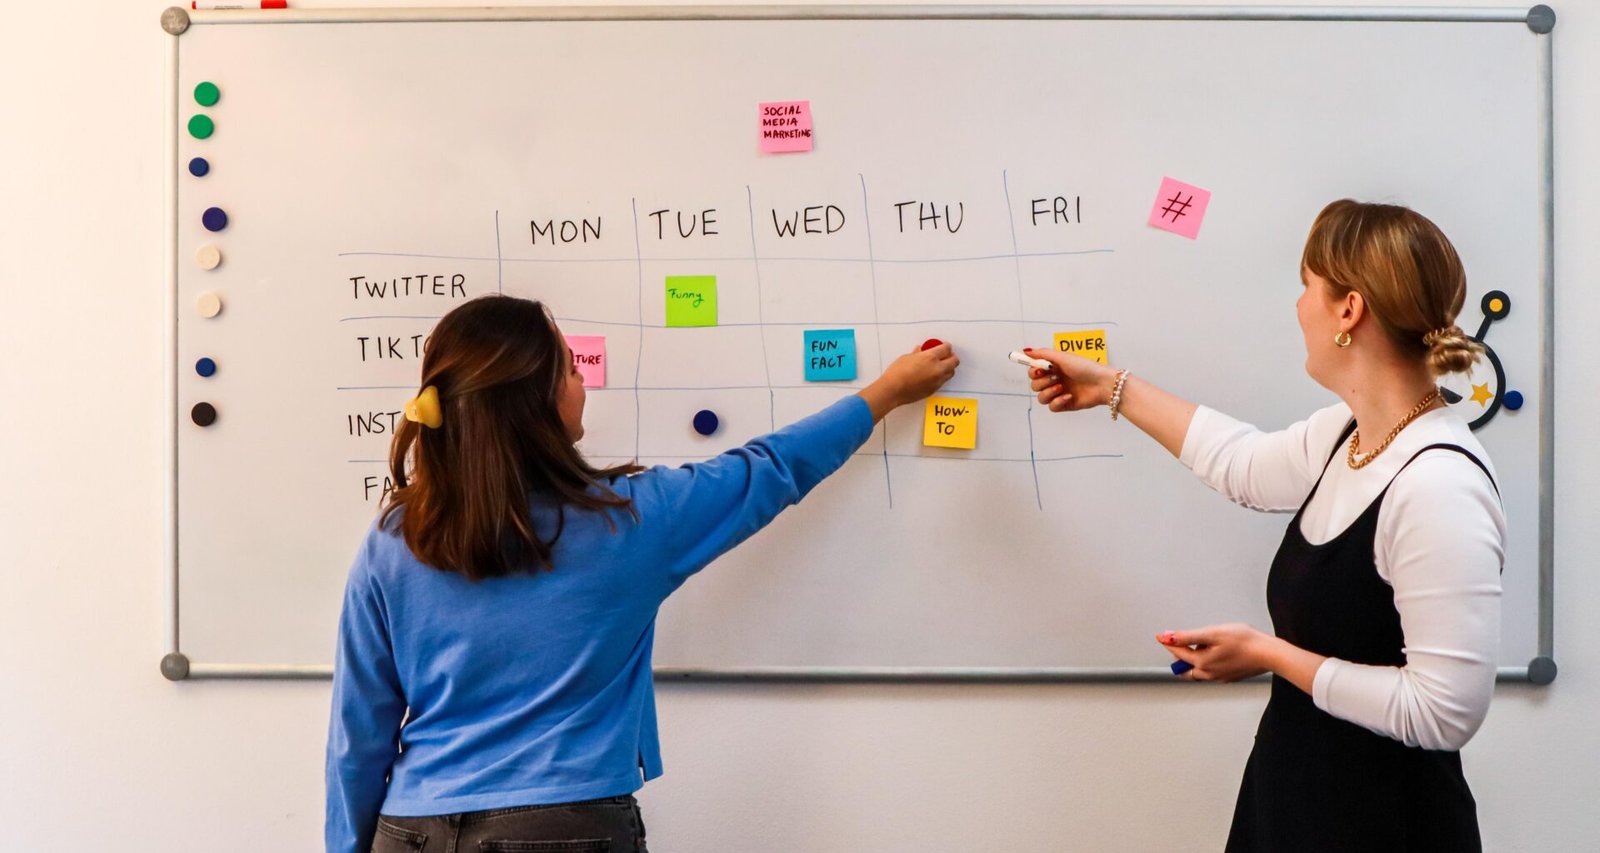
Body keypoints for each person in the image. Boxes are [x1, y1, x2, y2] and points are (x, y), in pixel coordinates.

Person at [326, 294, 958, 853]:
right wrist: (886, 393)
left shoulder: (392, 540)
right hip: (563, 828)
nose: (583, 383)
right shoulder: (630, 522)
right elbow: (774, 467)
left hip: (410, 830)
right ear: (536, 401)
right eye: (571, 368)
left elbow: (359, 739)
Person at [1026, 199, 1504, 852]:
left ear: (1349, 310)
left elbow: (1443, 711)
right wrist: (1113, 387)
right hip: (1296, 798)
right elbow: (1241, 463)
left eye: (1307, 286)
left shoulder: (1437, 484)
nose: (1298, 305)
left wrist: (1269, 654)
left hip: (1387, 824)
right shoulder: (1349, 434)